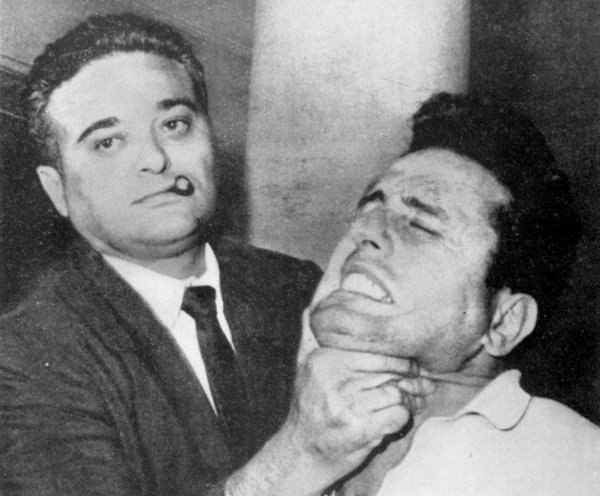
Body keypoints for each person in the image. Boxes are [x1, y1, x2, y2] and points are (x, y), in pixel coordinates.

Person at [0, 13, 432, 496]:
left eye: (174, 124)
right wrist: (302, 454)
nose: (156, 158)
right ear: (56, 189)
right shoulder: (25, 352)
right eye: (108, 142)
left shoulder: (296, 285)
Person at [306, 92, 600, 496]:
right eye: (369, 210)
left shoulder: (576, 466)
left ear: (504, 322)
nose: (362, 232)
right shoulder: (290, 425)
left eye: (421, 225)